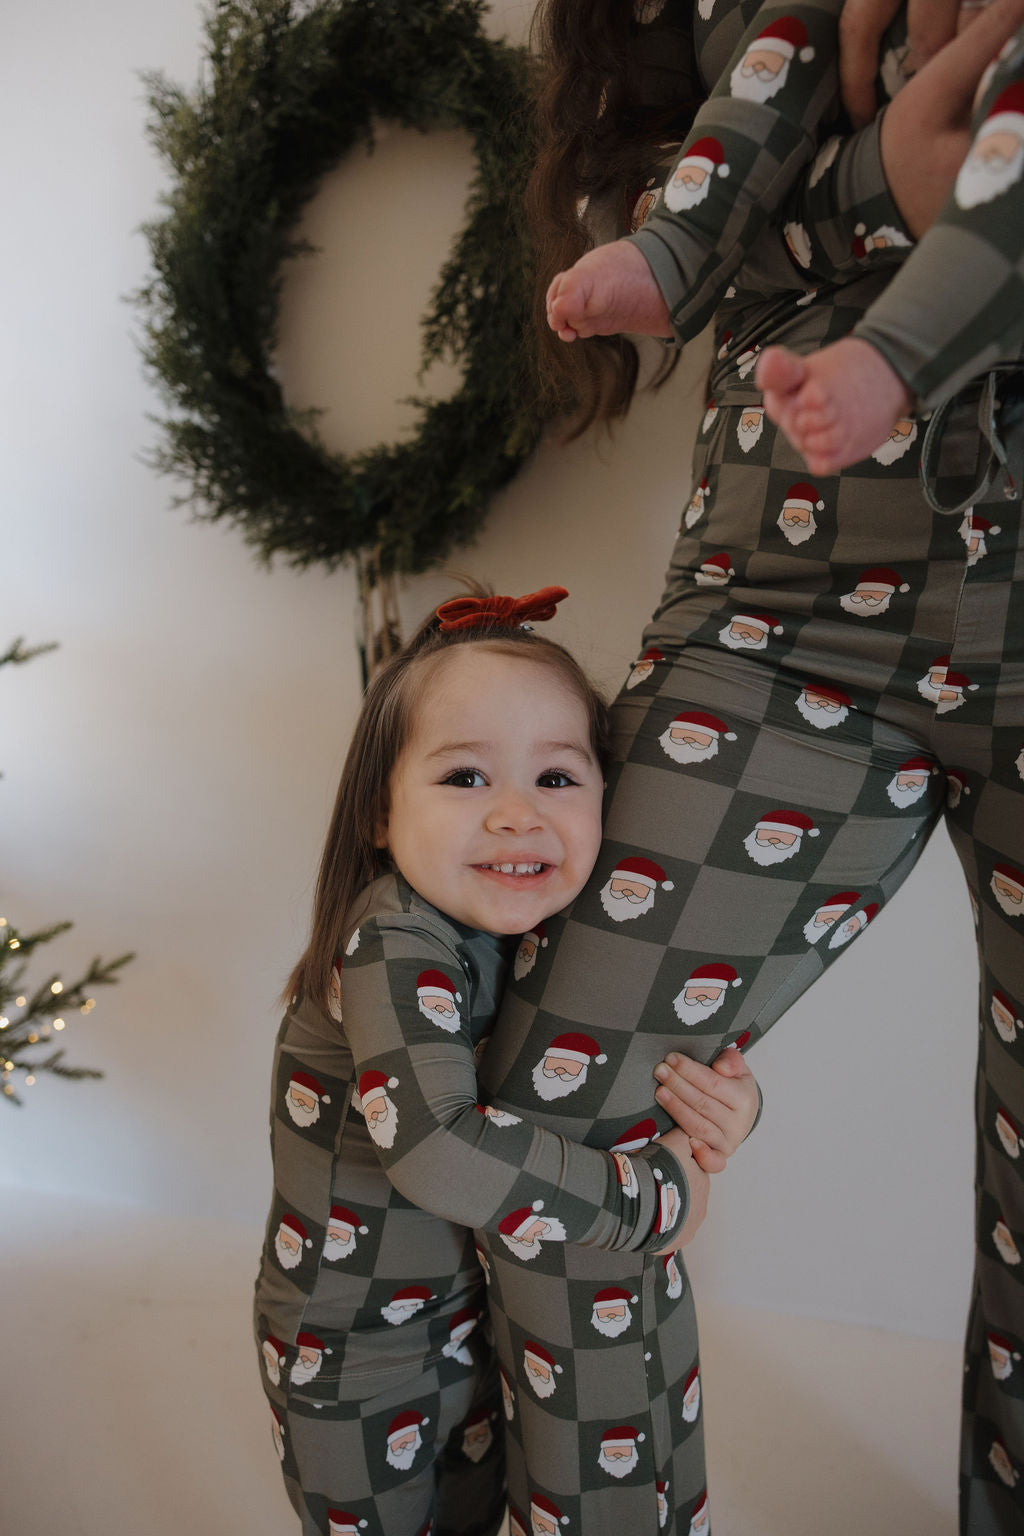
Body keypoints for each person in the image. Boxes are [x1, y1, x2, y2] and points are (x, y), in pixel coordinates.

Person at [470, 1, 1024, 1532]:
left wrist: (885, 208)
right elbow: (705, 207)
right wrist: (900, 195)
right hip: (787, 602)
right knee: (538, 1108)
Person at [252, 584, 759, 1536]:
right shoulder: (392, 939)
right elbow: (438, 1145)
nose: (518, 816)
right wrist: (650, 1201)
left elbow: (647, 1056)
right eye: (466, 779)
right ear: (377, 812)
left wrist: (731, 1103)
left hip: (474, 1327)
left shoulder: (555, 936)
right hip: (350, 1357)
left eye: (557, 780)